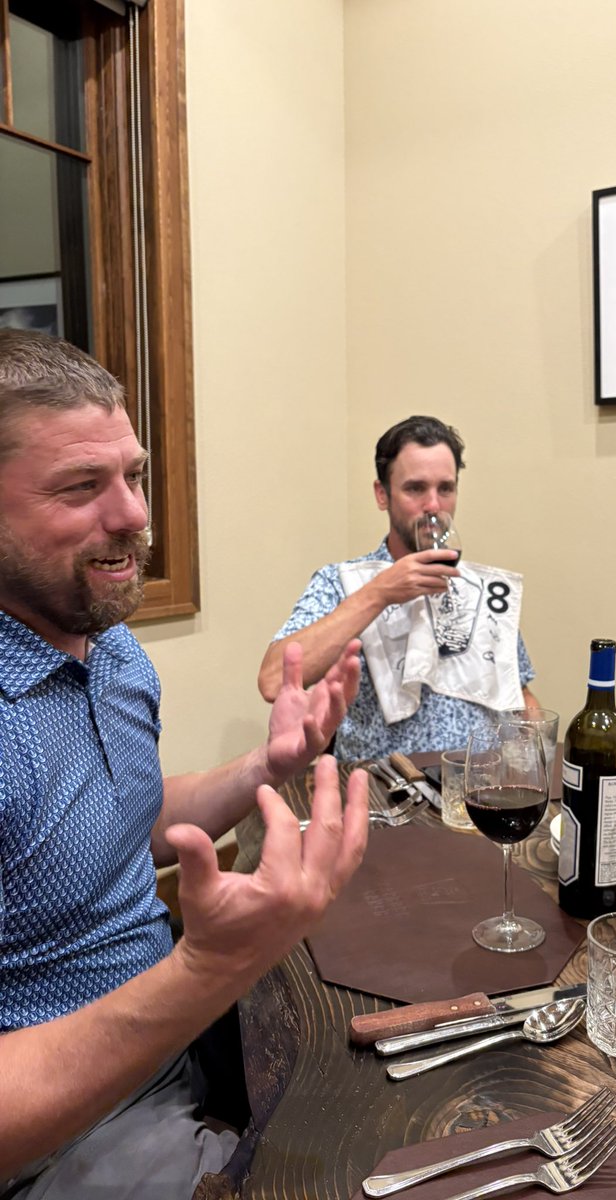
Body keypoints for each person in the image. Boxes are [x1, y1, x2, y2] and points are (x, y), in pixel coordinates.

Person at [0, 328, 369, 1197]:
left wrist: (261, 766)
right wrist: (209, 969)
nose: (132, 514)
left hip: (188, 1035)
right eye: (79, 487)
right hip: (68, 1131)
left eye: (132, 474)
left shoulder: (112, 649)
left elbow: (129, 820)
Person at [258, 415, 539, 760]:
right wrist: (380, 593)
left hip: (480, 794)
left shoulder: (483, 590)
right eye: (415, 488)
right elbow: (273, 680)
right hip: (381, 795)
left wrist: (535, 768)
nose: (433, 505)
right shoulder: (342, 582)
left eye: (445, 488)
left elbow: (519, 696)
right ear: (382, 494)